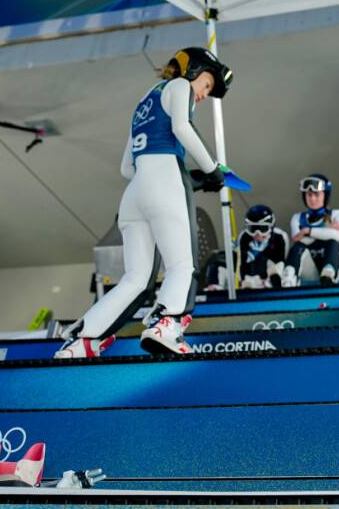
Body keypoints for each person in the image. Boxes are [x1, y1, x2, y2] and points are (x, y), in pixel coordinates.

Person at [55, 47, 233, 358]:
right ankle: (168, 324)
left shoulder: (145, 100)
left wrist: (190, 177)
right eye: (206, 85)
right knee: (182, 265)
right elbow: (182, 128)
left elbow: (128, 167)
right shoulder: (180, 86)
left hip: (135, 195)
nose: (204, 94)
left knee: (135, 279)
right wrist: (212, 169)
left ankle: (83, 343)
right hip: (163, 185)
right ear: (195, 70)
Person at [280, 174, 339, 287]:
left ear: (325, 195)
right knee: (298, 247)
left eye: (317, 195)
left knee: (332, 243)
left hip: (338, 271)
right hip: (311, 270)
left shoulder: (336, 214)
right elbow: (297, 238)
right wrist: (326, 231)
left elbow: (336, 236)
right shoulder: (297, 217)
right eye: (309, 195)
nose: (312, 199)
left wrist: (308, 231)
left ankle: (329, 274)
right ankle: (289, 276)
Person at [236, 204, 289, 289]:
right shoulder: (244, 238)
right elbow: (242, 263)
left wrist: (273, 278)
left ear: (271, 227)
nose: (257, 234)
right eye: (252, 229)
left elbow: (281, 261)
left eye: (263, 229)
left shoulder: (280, 237)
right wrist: (245, 280)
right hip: (252, 277)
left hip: (272, 274)